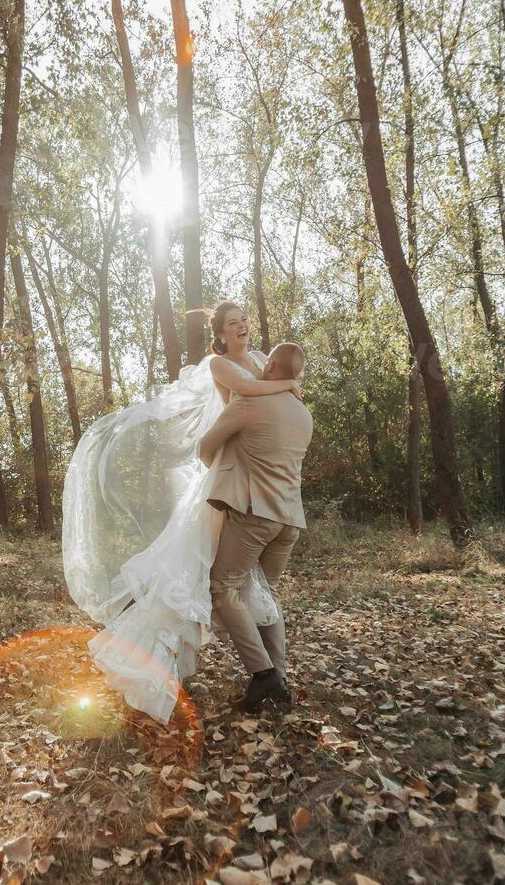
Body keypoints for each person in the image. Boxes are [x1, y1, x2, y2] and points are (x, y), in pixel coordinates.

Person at [62, 300, 304, 723]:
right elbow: (255, 393)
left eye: (245, 319)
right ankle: (159, 667)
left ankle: (271, 677)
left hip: (256, 486)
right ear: (221, 334)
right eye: (234, 323)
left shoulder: (264, 360)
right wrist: (287, 386)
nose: (244, 326)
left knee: (247, 586)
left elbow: (275, 390)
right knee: (193, 578)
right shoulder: (220, 365)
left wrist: (285, 384)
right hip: (232, 482)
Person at [198, 342, 312, 711]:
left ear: (270, 366)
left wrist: (226, 470)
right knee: (266, 593)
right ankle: (278, 678)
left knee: (223, 587)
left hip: (254, 515)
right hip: (290, 519)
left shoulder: (248, 403)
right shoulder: (303, 413)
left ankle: (263, 674)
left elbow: (206, 445)